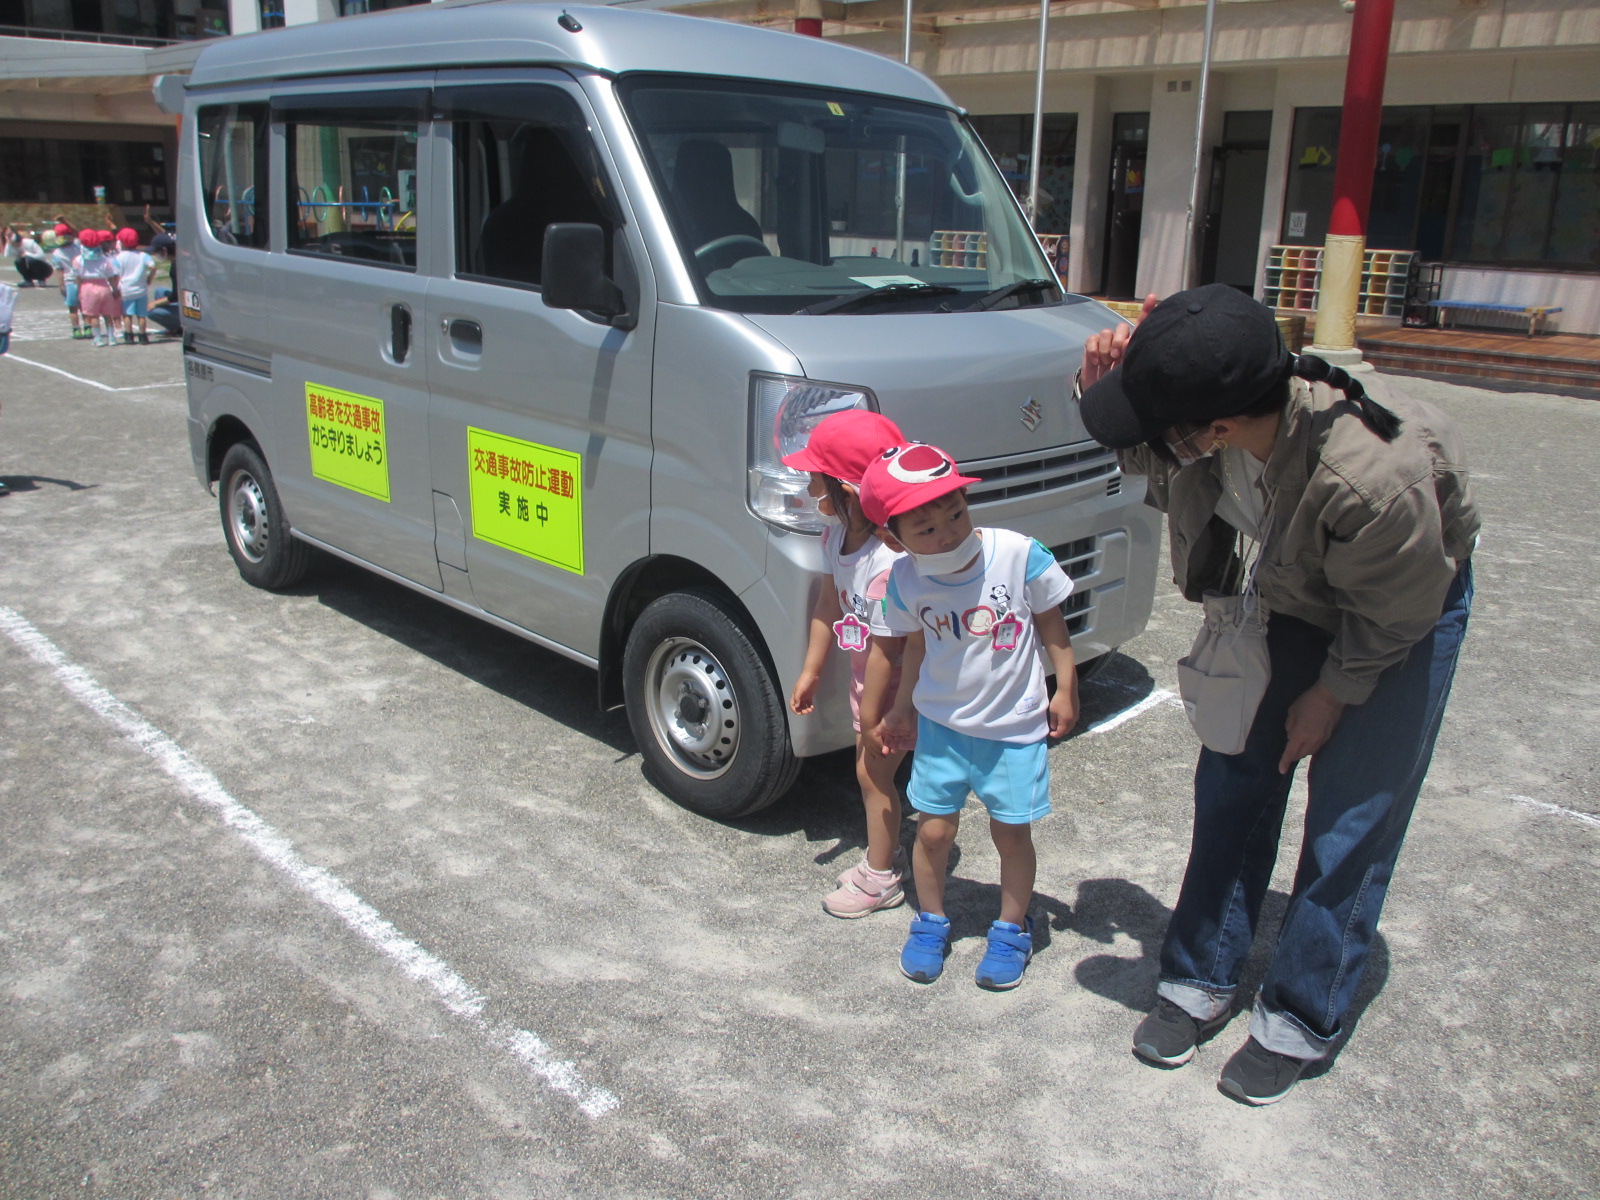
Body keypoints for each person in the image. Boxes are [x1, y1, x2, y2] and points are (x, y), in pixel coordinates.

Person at [1076, 284, 1479, 1105]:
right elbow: (1152, 456)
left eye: (1162, 423)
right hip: (1295, 589)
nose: (1155, 441)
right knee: (1235, 779)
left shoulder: (1374, 477)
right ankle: (1199, 975)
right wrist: (1101, 389)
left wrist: (1332, 694)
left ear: (1214, 428)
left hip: (1399, 611)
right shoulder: (1219, 419)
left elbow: (1396, 610)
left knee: (1352, 813)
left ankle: (1300, 1012)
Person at [861, 442, 1079, 989]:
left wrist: (1066, 687)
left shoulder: (1017, 553)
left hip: (1014, 730)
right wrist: (901, 708)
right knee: (933, 832)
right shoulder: (904, 582)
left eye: (955, 512)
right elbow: (913, 648)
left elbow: (1053, 625)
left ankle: (1011, 928)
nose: (948, 532)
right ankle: (931, 922)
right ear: (893, 538)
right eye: (927, 528)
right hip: (943, 729)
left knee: (1011, 834)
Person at [783, 410, 910, 918]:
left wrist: (878, 713)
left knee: (873, 775)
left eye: (815, 473)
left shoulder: (889, 562)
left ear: (847, 489)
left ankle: (881, 878)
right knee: (870, 773)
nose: (806, 478)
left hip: (902, 695)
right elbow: (828, 604)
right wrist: (812, 670)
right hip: (871, 687)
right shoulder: (837, 539)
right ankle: (887, 852)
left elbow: (889, 649)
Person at [75, 229, 123, 347]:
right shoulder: (104, 259)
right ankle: (111, 338)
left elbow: (78, 277)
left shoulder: (79, 260)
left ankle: (98, 338)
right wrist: (115, 289)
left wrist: (79, 289)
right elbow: (111, 276)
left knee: (93, 316)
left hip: (87, 287)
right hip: (104, 286)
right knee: (107, 315)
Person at [112, 227, 157, 344]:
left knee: (127, 314)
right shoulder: (143, 255)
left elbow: (116, 274)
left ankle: (129, 335)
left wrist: (115, 288)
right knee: (141, 315)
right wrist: (149, 278)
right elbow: (153, 266)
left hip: (126, 289)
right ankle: (143, 336)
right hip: (141, 289)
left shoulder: (119, 257)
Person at [50, 224, 87, 340]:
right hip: (82, 280)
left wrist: (61, 285)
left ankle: (76, 329)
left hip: (69, 282)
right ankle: (88, 327)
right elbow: (79, 233)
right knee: (83, 307)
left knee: (72, 308)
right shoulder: (78, 246)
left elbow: (59, 271)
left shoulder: (56, 253)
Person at [146, 232, 180, 338]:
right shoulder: (178, 258)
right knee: (159, 291)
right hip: (186, 299)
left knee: (153, 312)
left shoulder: (176, 265)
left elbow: (176, 296)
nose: (155, 254)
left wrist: (155, 304)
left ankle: (179, 327)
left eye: (156, 251)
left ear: (164, 250)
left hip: (195, 307)